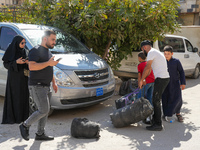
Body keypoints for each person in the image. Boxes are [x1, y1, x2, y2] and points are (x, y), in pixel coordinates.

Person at [19, 30, 60, 141]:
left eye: (55, 40)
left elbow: (49, 68)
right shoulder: (35, 50)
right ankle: (25, 125)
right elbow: (32, 67)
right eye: (52, 39)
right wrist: (48, 63)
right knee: (43, 110)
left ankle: (40, 133)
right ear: (44, 38)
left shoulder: (48, 52)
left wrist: (54, 83)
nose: (54, 42)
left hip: (47, 86)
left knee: (45, 112)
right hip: (37, 85)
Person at [138, 40, 170, 131]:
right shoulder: (155, 52)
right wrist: (144, 79)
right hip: (163, 78)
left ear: (144, 48)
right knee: (155, 99)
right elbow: (149, 69)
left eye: (142, 49)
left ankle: (158, 124)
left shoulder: (151, 53)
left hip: (161, 79)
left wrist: (141, 80)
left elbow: (147, 67)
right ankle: (155, 121)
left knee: (156, 100)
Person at [2, 35, 29, 124]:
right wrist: (16, 62)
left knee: (23, 96)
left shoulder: (24, 51)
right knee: (15, 96)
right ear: (17, 43)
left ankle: (23, 117)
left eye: (25, 43)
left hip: (23, 78)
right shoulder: (11, 50)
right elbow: (6, 64)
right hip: (14, 78)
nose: (24, 45)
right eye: (22, 43)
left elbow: (26, 64)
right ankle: (14, 118)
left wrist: (26, 62)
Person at [162, 45, 186, 122]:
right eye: (165, 54)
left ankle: (178, 114)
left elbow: (181, 72)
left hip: (175, 83)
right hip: (165, 83)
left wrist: (183, 83)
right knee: (165, 98)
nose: (166, 55)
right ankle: (166, 114)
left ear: (172, 54)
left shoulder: (176, 61)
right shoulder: (162, 61)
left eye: (168, 54)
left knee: (177, 98)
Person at [137, 52, 155, 124]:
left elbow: (139, 76)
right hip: (152, 81)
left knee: (140, 98)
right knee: (149, 97)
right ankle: (151, 113)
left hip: (145, 82)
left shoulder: (140, 65)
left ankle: (141, 114)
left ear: (140, 58)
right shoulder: (148, 63)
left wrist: (139, 84)